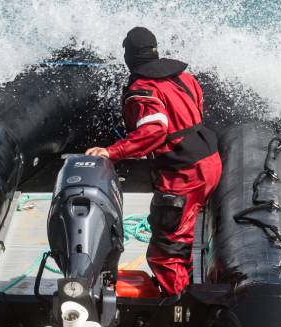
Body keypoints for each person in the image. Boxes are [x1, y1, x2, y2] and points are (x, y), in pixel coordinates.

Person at [86, 27, 222, 296]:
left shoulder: (142, 88)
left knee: (166, 251)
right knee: (183, 235)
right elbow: (196, 107)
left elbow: (155, 129)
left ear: (130, 55)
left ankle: (176, 307)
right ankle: (189, 285)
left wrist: (112, 152)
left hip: (183, 172)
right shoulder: (184, 76)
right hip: (210, 160)